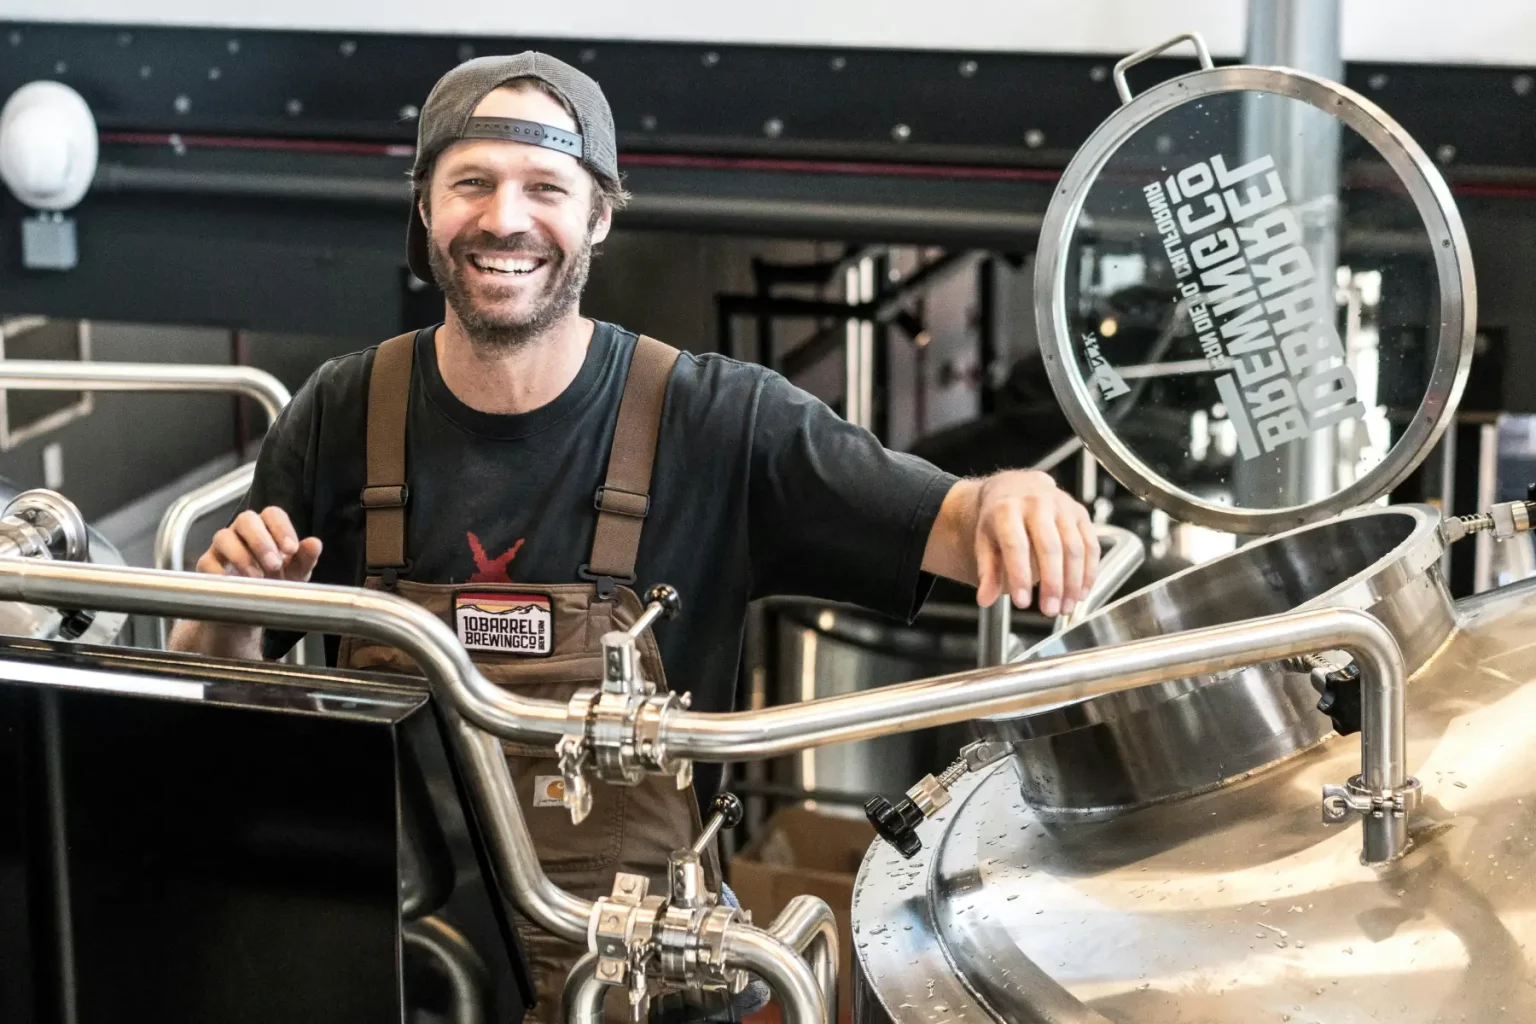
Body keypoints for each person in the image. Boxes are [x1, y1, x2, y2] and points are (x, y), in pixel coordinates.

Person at [168, 51, 1099, 1023]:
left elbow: (952, 526)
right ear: (425, 206)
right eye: (471, 183)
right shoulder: (342, 413)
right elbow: (214, 700)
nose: (504, 219)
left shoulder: (719, 421)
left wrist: (1011, 498)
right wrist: (227, 612)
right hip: (405, 974)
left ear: (600, 215)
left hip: (647, 987)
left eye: (545, 188)